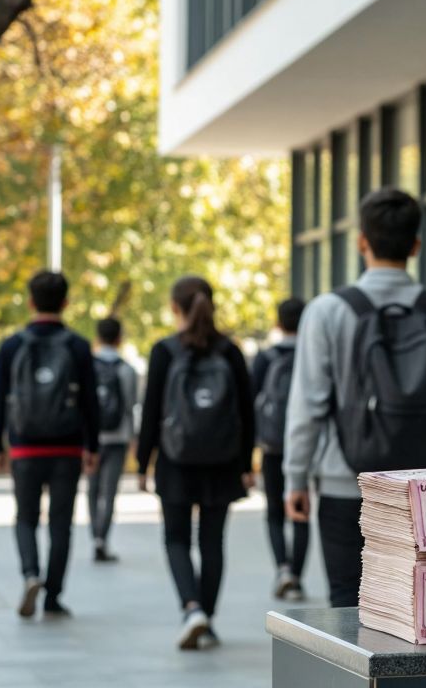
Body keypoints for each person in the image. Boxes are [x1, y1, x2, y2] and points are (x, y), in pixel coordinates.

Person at [284, 187, 426, 609]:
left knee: (348, 602)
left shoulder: (326, 312)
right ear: (415, 245)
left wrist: (296, 478)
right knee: (421, 604)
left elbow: (308, 406)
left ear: (362, 242)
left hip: (347, 484)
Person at [136, 276, 255, 650]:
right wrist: (246, 463)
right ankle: (208, 617)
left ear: (175, 308)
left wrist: (142, 463)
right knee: (212, 542)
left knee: (175, 538)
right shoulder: (230, 351)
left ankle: (191, 609)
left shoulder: (164, 350)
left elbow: (152, 412)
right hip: (223, 462)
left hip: (175, 460)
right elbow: (247, 414)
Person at [0, 271, 99, 618]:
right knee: (61, 524)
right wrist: (91, 447)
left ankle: (30, 574)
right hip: (66, 448)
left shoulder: (12, 345)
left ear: (31, 301)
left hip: (24, 447)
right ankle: (52, 597)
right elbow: (90, 403)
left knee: (25, 518)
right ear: (66, 303)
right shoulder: (78, 346)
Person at [250, 297, 309, 601]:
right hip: (306, 447)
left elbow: (250, 407)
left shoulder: (265, 358)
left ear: (278, 322)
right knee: (301, 510)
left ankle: (283, 568)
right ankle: (297, 577)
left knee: (274, 511)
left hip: (272, 446)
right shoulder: (311, 355)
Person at [89, 317, 138, 563]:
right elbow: (130, 406)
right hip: (118, 437)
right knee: (109, 492)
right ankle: (102, 538)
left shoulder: (88, 366)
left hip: (92, 438)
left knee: (92, 490)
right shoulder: (126, 369)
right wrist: (134, 439)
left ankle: (94, 535)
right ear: (120, 337)